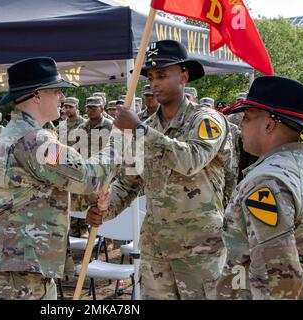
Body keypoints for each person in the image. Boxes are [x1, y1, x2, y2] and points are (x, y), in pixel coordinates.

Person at [88, 40, 232, 300]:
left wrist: (140, 131)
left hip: (198, 250)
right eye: (152, 76)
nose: (154, 83)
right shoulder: (146, 126)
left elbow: (191, 160)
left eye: (162, 75)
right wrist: (105, 210)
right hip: (157, 249)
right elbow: (129, 182)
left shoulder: (206, 120)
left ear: (184, 76)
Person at [0, 57, 117, 300]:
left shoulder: (23, 135)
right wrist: (120, 142)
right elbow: (87, 176)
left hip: (18, 267)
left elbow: (43, 192)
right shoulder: (33, 141)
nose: (62, 98)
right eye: (57, 91)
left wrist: (90, 202)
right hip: (13, 274)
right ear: (37, 96)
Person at [216, 76, 303, 300]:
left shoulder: (267, 182)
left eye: (247, 118)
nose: (240, 124)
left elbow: (280, 278)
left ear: (269, 124)